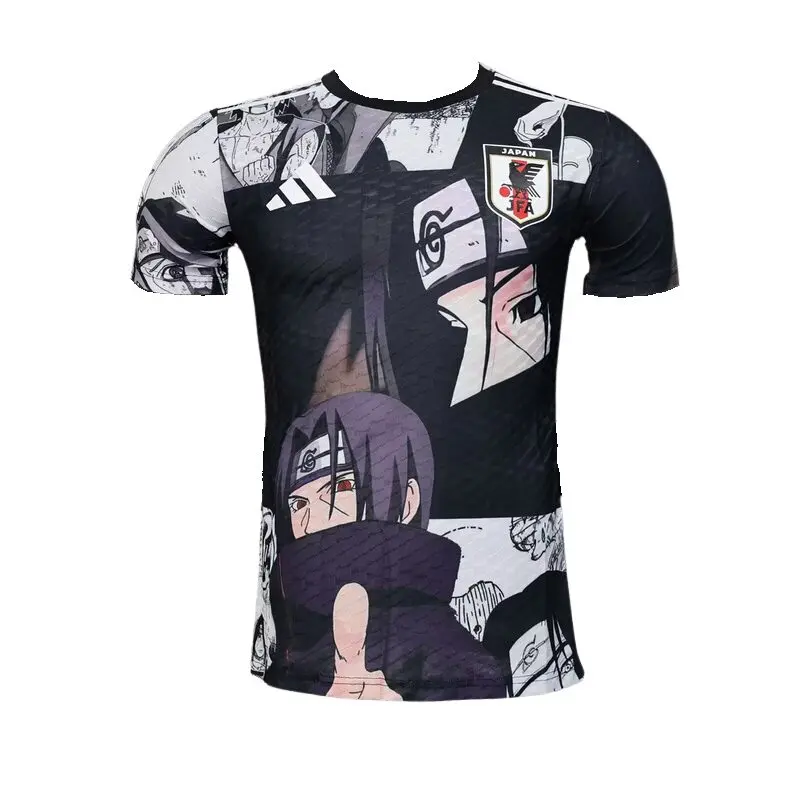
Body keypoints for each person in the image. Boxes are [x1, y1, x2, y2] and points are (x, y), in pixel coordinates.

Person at [265, 391, 506, 700]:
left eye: (340, 487)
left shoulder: (458, 664)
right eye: (299, 504)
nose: (312, 523)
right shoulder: (292, 642)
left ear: (407, 501)